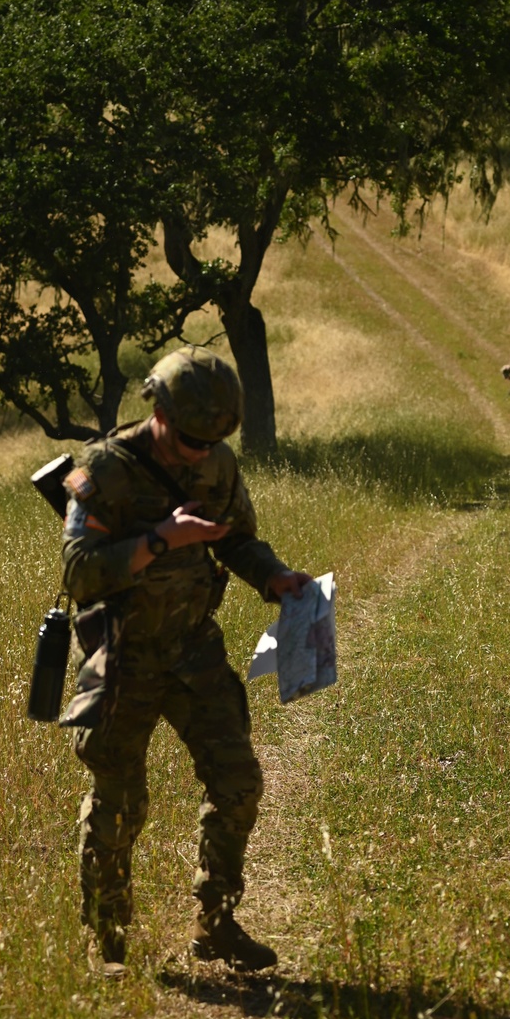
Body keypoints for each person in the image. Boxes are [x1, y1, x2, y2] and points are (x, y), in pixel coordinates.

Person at [60, 346, 311, 978]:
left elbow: (238, 540)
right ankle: (109, 941)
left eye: (214, 439)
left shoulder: (218, 462)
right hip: (125, 654)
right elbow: (79, 572)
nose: (201, 452)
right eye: (192, 438)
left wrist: (274, 578)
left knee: (238, 784)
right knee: (120, 801)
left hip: (194, 648)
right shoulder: (104, 470)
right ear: (159, 410)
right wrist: (159, 540)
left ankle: (217, 924)